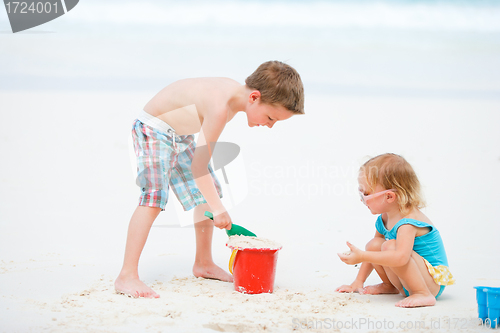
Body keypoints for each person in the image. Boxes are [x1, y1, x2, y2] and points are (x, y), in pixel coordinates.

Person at [115, 61, 305, 298]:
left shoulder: (235, 96)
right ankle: (127, 275)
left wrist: (214, 204)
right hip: (154, 129)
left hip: (178, 134)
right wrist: (219, 209)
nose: (269, 125)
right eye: (270, 118)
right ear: (254, 97)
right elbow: (199, 167)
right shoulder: (220, 108)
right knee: (154, 198)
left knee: (208, 190)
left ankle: (203, 263)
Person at [336, 153, 454, 308]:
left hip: (431, 282)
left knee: (390, 246)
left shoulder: (407, 223)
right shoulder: (384, 218)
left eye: (365, 194)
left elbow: (400, 258)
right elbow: (373, 252)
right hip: (408, 279)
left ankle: (422, 294)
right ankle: (390, 285)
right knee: (374, 244)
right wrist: (358, 282)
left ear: (389, 197)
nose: (361, 199)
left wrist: (361, 256)